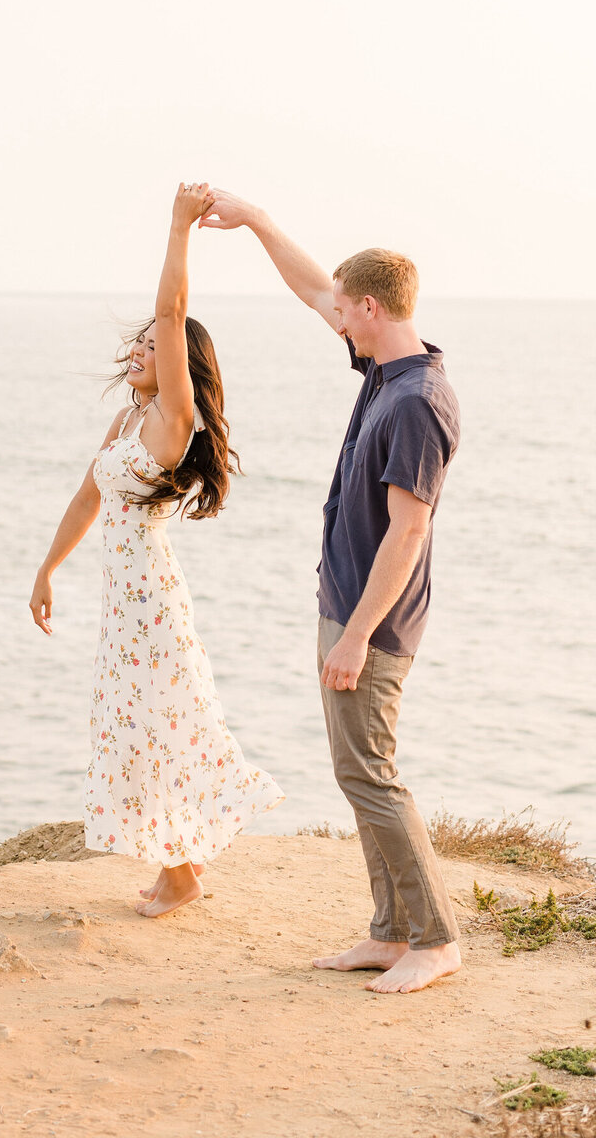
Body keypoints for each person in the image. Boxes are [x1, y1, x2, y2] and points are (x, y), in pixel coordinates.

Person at [200, 189, 462, 992]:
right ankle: (389, 932)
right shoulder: (386, 367)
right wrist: (259, 224)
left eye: (346, 311)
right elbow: (316, 288)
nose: (334, 319)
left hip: (372, 623)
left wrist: (355, 635)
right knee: (356, 774)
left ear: (374, 308)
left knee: (373, 774)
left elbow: (408, 531)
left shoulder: (417, 402)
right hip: (344, 605)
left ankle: (437, 939)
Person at [30, 181, 282, 917]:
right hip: (126, 606)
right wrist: (48, 567)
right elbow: (87, 497)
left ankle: (179, 875)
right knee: (146, 720)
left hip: (154, 605)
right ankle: (183, 865)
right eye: (137, 342)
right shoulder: (126, 419)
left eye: (155, 345)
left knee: (159, 720)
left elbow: (173, 311)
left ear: (179, 365)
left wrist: (179, 228)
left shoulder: (175, 420)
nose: (143, 348)